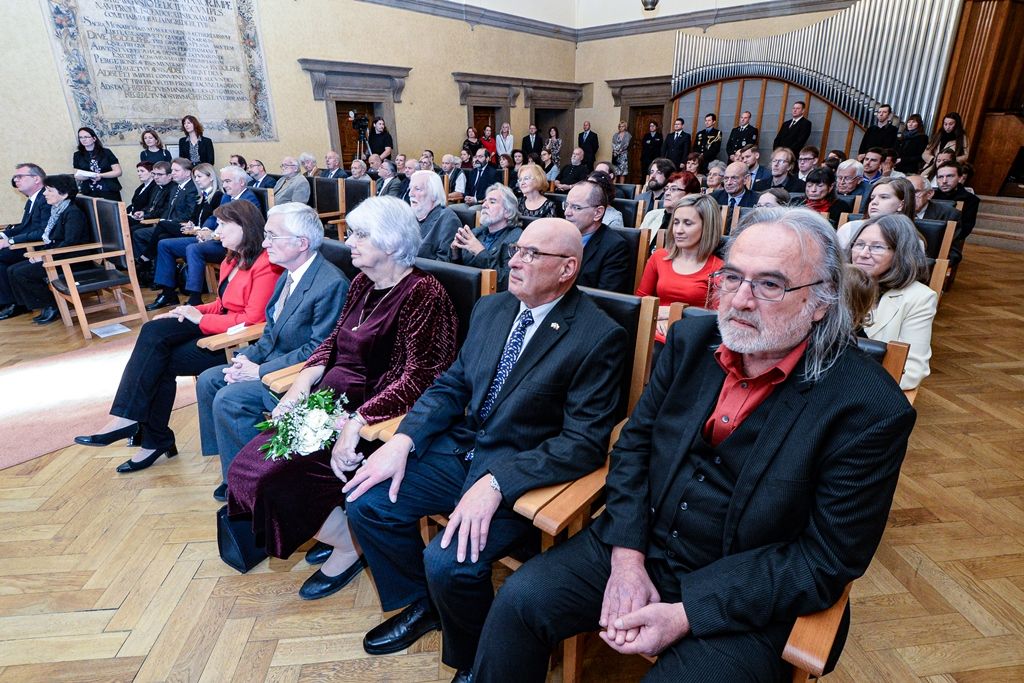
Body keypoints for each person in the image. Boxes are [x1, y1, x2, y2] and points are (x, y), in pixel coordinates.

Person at [473, 208, 916, 683]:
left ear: (822, 301)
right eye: (732, 277)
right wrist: (627, 557)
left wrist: (688, 612)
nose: (740, 300)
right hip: (642, 540)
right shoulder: (691, 341)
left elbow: (826, 558)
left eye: (770, 284)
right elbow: (634, 447)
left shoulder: (869, 408)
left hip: (750, 592)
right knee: (518, 603)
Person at [343, 217, 627, 681]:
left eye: (532, 254)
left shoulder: (598, 337)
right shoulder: (493, 308)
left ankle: (479, 657)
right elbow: (452, 384)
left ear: (567, 268)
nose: (515, 260)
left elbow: (583, 443)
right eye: (517, 250)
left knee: (448, 562)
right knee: (367, 502)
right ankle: (427, 604)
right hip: (462, 448)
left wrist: (498, 483)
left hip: (521, 474)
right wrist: (403, 440)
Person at [228, 196, 458, 598]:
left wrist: (358, 420)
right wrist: (302, 384)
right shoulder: (362, 282)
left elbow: (422, 377)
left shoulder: (424, 293)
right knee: (246, 469)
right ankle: (344, 533)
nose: (348, 241)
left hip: (374, 418)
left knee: (270, 479)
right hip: (328, 401)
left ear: (391, 241)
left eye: (360, 234)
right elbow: (334, 340)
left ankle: (349, 544)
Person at [75, 200, 282, 472]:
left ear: (244, 226)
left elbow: (252, 320)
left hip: (239, 342)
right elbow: (223, 304)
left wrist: (201, 319)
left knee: (158, 360)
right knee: (154, 333)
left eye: (223, 225)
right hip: (221, 325)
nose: (217, 231)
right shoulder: (232, 257)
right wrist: (189, 310)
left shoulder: (265, 264)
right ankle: (140, 428)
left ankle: (146, 432)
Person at [197, 202, 349, 500]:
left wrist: (260, 371)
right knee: (209, 380)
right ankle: (234, 465)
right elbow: (270, 332)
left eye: (272, 236)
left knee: (230, 398)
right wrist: (246, 359)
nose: (265, 244)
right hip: (274, 362)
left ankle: (250, 482)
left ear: (301, 243)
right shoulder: (288, 274)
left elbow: (320, 349)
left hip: (299, 376)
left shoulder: (330, 284)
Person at [149, 165, 261, 310]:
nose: (224, 185)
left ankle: (195, 298)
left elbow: (241, 232)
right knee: (165, 244)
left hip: (231, 246)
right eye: (223, 181)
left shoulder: (249, 200)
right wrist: (205, 230)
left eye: (228, 181)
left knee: (193, 249)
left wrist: (213, 235)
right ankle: (168, 292)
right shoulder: (227, 196)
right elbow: (214, 217)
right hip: (216, 239)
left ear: (242, 182)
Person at [849, 214, 937, 389]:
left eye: (877, 247)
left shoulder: (920, 298)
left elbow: (911, 371)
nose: (863, 254)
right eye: (859, 244)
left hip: (868, 389)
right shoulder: (833, 283)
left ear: (900, 253)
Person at [637, 194, 724, 343]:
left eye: (688, 223)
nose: (678, 230)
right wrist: (655, 319)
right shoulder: (659, 257)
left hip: (691, 338)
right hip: (652, 329)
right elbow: (640, 300)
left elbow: (716, 319)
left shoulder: (719, 268)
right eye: (676, 222)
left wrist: (674, 314)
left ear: (707, 227)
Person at [7, 174, 90, 325]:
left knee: (22, 273)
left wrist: (44, 256)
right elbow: (54, 240)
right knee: (12, 270)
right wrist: (41, 253)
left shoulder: (73, 213)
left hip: (73, 260)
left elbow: (70, 244)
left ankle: (52, 305)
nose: (45, 193)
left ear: (64, 194)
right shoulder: (57, 210)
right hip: (58, 255)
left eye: (49, 190)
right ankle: (42, 304)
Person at [1, 163, 53, 320]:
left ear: (36, 179)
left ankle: (14, 303)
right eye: (15, 177)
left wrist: (10, 240)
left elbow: (43, 231)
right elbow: (25, 227)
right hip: (28, 242)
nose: (16, 180)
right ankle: (14, 301)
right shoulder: (33, 199)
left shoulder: (46, 198)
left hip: (40, 246)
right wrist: (3, 234)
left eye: (20, 177)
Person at [448, 184, 522, 291]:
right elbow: (461, 271)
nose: (484, 205)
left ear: (507, 211)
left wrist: (480, 252)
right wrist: (455, 253)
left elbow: (506, 281)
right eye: (485, 201)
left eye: (492, 202)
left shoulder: (516, 238)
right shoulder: (476, 232)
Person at [563, 180, 632, 293]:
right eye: (566, 205)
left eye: (576, 207)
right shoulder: (559, 236)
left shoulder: (615, 248)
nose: (567, 212)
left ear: (598, 213)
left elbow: (604, 297)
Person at [132, 158, 199, 268]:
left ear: (187, 173)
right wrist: (164, 220)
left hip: (182, 226)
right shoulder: (176, 187)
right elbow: (168, 209)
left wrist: (168, 222)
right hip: (167, 225)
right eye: (172, 170)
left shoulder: (192, 189)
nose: (173, 173)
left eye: (176, 170)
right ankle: (146, 268)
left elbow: (190, 214)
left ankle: (146, 260)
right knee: (139, 234)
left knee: (161, 236)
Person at [836, 177, 917, 248]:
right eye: (872, 198)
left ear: (901, 205)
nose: (874, 202)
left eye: (883, 197)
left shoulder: (914, 240)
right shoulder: (850, 229)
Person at [933, 161, 981, 267]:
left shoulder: (970, 200)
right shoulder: (930, 196)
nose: (944, 181)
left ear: (960, 178)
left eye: (950, 176)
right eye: (940, 177)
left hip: (951, 242)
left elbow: (965, 229)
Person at [409, 170, 461, 260]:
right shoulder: (409, 216)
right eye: (410, 189)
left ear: (433, 194)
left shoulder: (448, 220)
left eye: (417, 189)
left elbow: (443, 263)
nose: (410, 194)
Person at [72, 127, 122, 201]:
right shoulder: (77, 155)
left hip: (109, 190)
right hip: (89, 191)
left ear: (94, 138)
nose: (83, 139)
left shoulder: (106, 152)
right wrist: (91, 176)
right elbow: (77, 175)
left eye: (86, 137)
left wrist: (101, 175)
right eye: (81, 137)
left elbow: (118, 172)